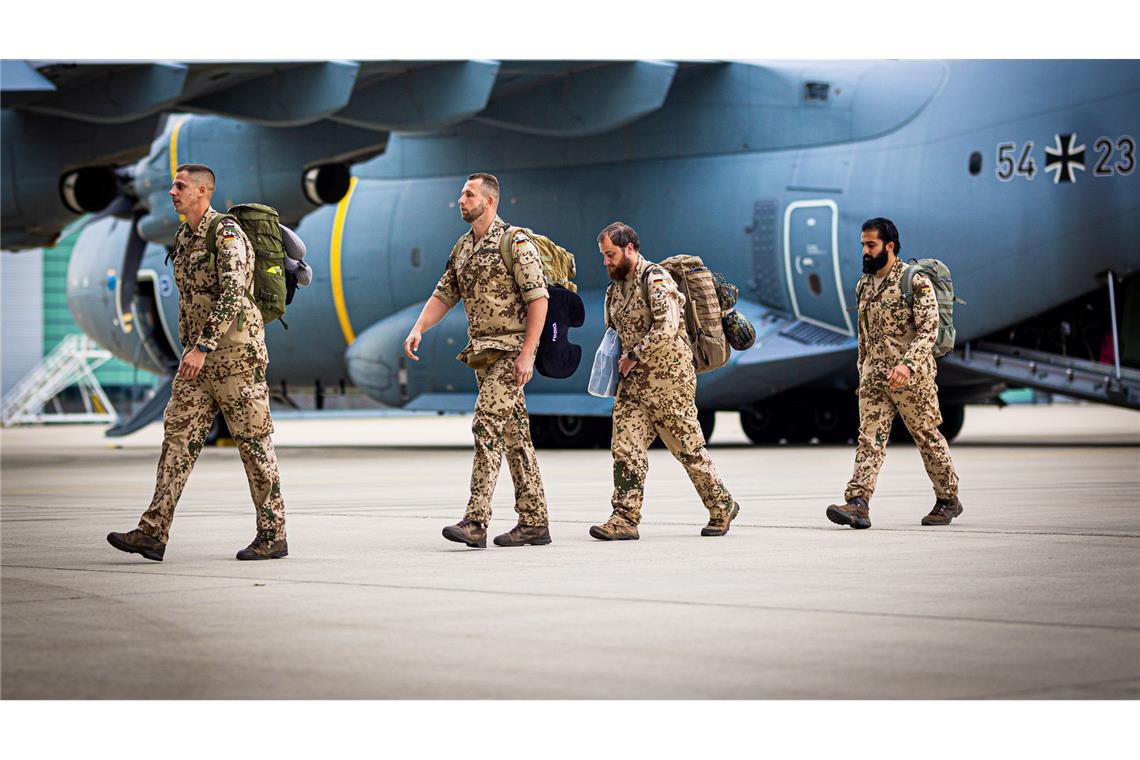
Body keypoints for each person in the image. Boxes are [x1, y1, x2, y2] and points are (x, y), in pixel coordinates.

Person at [107, 164, 288, 561]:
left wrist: (202, 346)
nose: (172, 192)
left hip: (236, 359)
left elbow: (234, 293)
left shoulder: (226, 234)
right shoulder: (185, 237)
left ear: (202, 191)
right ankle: (152, 532)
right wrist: (195, 350)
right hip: (198, 364)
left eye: (180, 186)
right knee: (177, 442)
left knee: (254, 445)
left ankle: (273, 535)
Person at [403, 172, 551, 549]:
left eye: (468, 195)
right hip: (483, 355)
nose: (461, 200)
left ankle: (476, 520)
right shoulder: (463, 247)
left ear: (489, 201)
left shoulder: (515, 242)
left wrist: (527, 354)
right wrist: (419, 327)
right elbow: (444, 293)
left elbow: (539, 299)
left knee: (485, 427)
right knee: (516, 439)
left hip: (510, 353)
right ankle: (534, 522)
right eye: (461, 194)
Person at [590, 222, 740, 541]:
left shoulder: (656, 279)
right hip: (633, 386)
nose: (606, 261)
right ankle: (624, 518)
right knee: (625, 447)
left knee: (688, 450)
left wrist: (634, 354)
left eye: (611, 254)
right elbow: (613, 331)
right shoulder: (614, 290)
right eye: (603, 255)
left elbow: (667, 327)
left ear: (630, 249)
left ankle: (722, 505)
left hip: (670, 382)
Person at [827, 217, 962, 530]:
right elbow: (863, 334)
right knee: (869, 439)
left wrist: (908, 364)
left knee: (927, 437)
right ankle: (858, 503)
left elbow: (930, 329)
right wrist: (863, 371)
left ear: (889, 246)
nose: (865, 250)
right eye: (862, 244)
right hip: (875, 377)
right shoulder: (864, 284)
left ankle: (948, 498)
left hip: (912, 378)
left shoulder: (913, 281)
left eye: (871, 245)